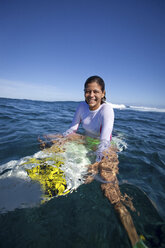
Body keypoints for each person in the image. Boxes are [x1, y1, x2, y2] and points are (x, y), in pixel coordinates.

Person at [63, 75, 114, 162]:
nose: (91, 95)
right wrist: (62, 140)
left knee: (106, 169)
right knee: (49, 138)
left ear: (103, 93)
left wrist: (97, 161)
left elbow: (105, 142)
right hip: (85, 139)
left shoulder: (106, 110)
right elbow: (72, 129)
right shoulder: (81, 106)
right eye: (88, 91)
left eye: (95, 92)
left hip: (101, 143)